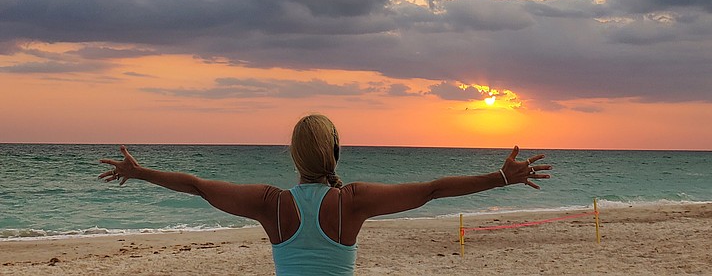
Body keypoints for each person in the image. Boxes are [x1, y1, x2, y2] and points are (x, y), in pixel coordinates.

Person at [99, 113, 551, 276]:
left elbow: (197, 185)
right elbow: (431, 190)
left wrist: (140, 173)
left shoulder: (270, 203)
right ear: (336, 152)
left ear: (293, 155)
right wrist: (501, 178)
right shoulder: (352, 200)